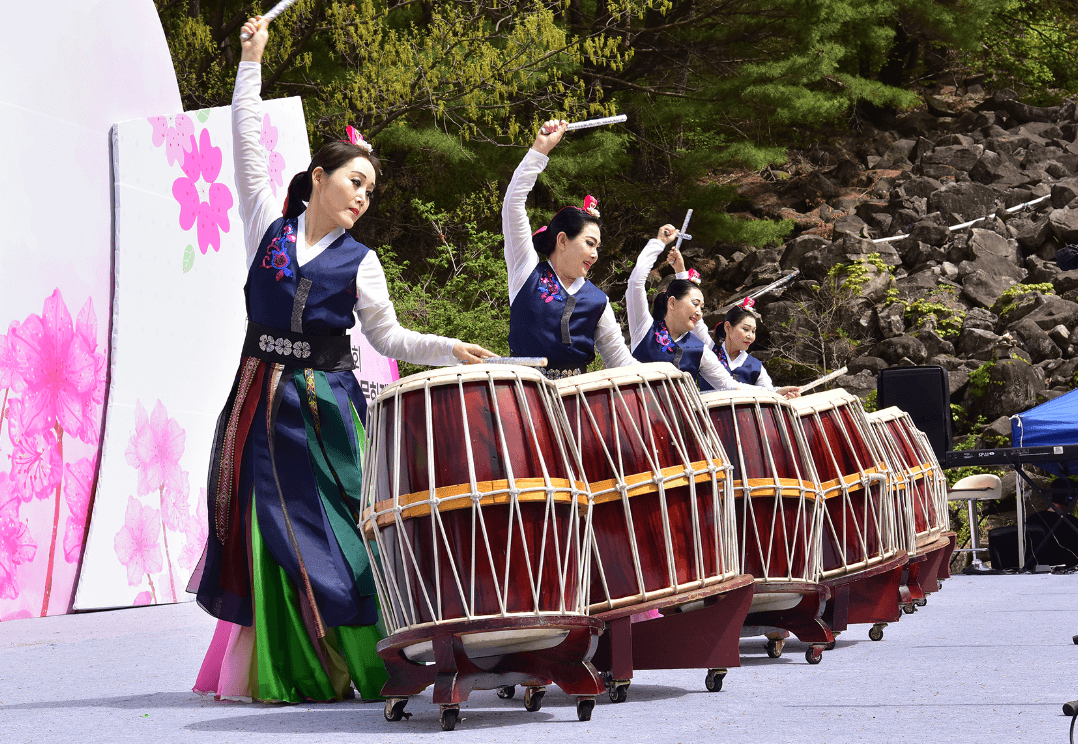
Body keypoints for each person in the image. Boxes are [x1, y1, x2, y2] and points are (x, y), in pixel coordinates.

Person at [190, 16, 494, 704]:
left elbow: (387, 340)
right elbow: (244, 140)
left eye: (371, 190)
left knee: (350, 536)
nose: (362, 196)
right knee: (268, 532)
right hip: (257, 402)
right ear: (319, 177)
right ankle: (292, 669)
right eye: (354, 181)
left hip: (327, 412)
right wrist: (252, 61)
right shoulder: (266, 222)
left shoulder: (363, 263)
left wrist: (448, 347)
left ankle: (377, 660)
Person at [502, 121, 635, 378]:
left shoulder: (598, 301)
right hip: (523, 399)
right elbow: (512, 205)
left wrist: (665, 376)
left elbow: (621, 362)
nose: (595, 254)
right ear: (562, 240)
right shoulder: (526, 271)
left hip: (577, 404)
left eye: (598, 247)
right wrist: (540, 150)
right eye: (589, 243)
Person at [626, 225, 755, 391]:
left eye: (702, 308)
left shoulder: (699, 349)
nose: (699, 313)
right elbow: (636, 283)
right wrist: (660, 242)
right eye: (695, 304)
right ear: (671, 303)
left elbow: (728, 385)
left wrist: (773, 391)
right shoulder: (643, 328)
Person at [709, 297, 799, 398]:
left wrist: (783, 396)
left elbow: (769, 394)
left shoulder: (756, 366)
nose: (750, 336)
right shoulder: (709, 353)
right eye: (745, 329)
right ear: (728, 327)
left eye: (753, 331)